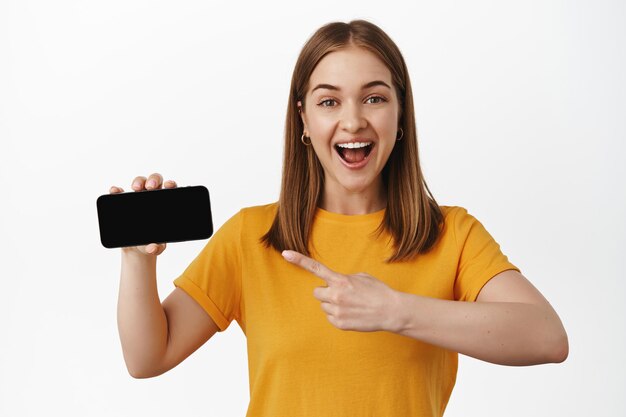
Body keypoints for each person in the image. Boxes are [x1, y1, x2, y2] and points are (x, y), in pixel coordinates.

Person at [111, 19, 568, 417]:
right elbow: (147, 358)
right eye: (329, 102)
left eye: (374, 98)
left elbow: (547, 336)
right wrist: (138, 259)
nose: (352, 122)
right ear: (304, 119)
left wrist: (396, 311)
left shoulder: (451, 235)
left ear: (401, 113)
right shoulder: (253, 236)